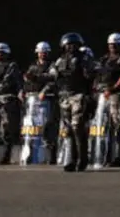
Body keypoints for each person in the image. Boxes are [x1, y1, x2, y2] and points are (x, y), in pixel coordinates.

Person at [41, 32, 95, 172]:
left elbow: (91, 74)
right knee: (68, 130)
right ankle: (70, 159)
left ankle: (82, 160)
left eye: (74, 44)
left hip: (78, 95)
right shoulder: (59, 61)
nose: (71, 47)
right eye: (68, 44)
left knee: (78, 127)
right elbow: (51, 75)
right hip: (64, 96)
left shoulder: (84, 58)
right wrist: (35, 77)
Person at [93, 32, 120, 166]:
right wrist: (96, 87)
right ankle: (104, 156)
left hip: (117, 95)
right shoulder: (105, 59)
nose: (113, 48)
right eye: (111, 45)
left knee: (118, 126)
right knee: (104, 127)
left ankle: (118, 157)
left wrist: (112, 89)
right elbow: (97, 74)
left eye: (115, 45)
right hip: (102, 96)